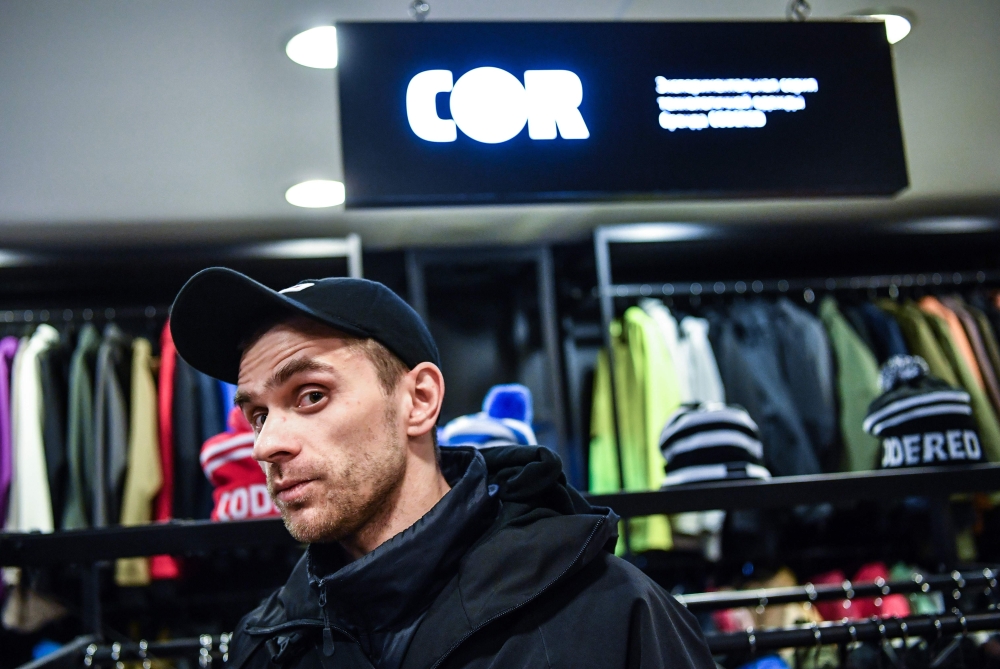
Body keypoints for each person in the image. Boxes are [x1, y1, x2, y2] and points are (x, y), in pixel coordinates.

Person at [169, 267, 715, 669]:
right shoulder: (266, 647)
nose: (267, 445)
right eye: (258, 414)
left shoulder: (608, 614)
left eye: (311, 395)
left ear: (419, 399)